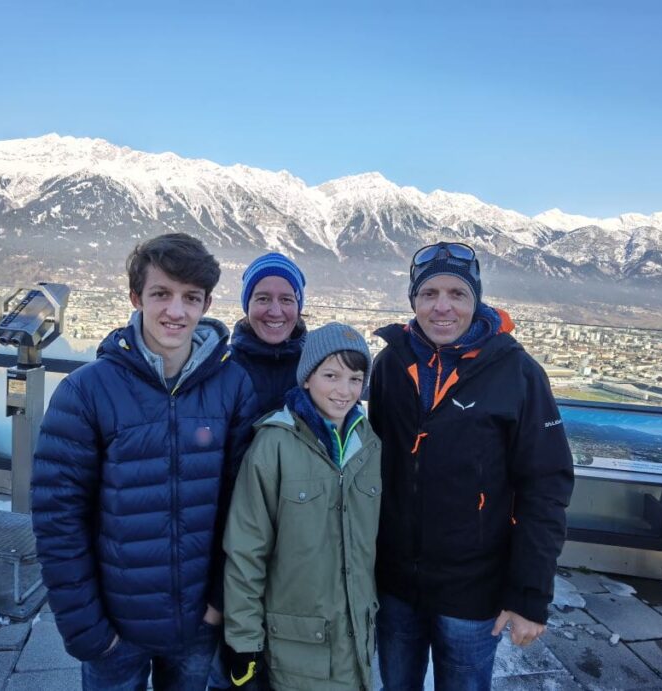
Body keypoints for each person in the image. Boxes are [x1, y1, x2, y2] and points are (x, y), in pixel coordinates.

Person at [31, 233, 260, 691]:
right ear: (136, 297)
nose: (175, 311)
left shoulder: (232, 386)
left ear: (206, 304)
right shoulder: (87, 391)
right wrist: (90, 632)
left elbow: (244, 506)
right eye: (161, 294)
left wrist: (218, 603)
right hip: (115, 631)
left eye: (190, 298)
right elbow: (59, 519)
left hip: (196, 625)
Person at [369, 241, 574, 691]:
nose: (442, 307)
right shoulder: (390, 365)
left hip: (473, 590)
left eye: (457, 294)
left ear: (475, 300)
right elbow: (374, 468)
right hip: (396, 582)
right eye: (429, 294)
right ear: (414, 301)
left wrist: (529, 595)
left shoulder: (517, 374)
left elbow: (545, 487)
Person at [223, 323, 382, 691]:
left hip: (357, 639)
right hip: (296, 645)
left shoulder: (369, 444)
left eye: (355, 379)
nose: (344, 391)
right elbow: (247, 550)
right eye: (331, 375)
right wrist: (244, 641)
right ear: (307, 378)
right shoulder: (274, 445)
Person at [231, 252, 308, 416]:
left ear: (298, 307)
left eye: (286, 300)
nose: (275, 311)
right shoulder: (222, 367)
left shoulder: (316, 369)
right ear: (247, 305)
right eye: (263, 299)